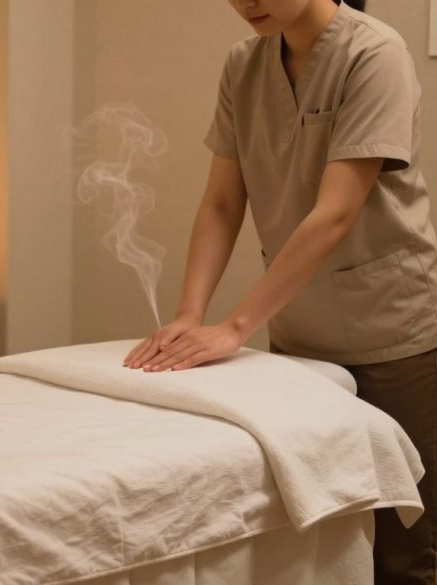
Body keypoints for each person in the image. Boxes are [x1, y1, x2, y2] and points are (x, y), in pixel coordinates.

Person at [123, 0, 437, 582]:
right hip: (299, 335)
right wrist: (191, 314)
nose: (245, 0)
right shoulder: (243, 65)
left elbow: (335, 213)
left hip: (391, 330)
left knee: (400, 546)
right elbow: (222, 202)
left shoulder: (375, 54)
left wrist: (235, 328)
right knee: (321, 534)